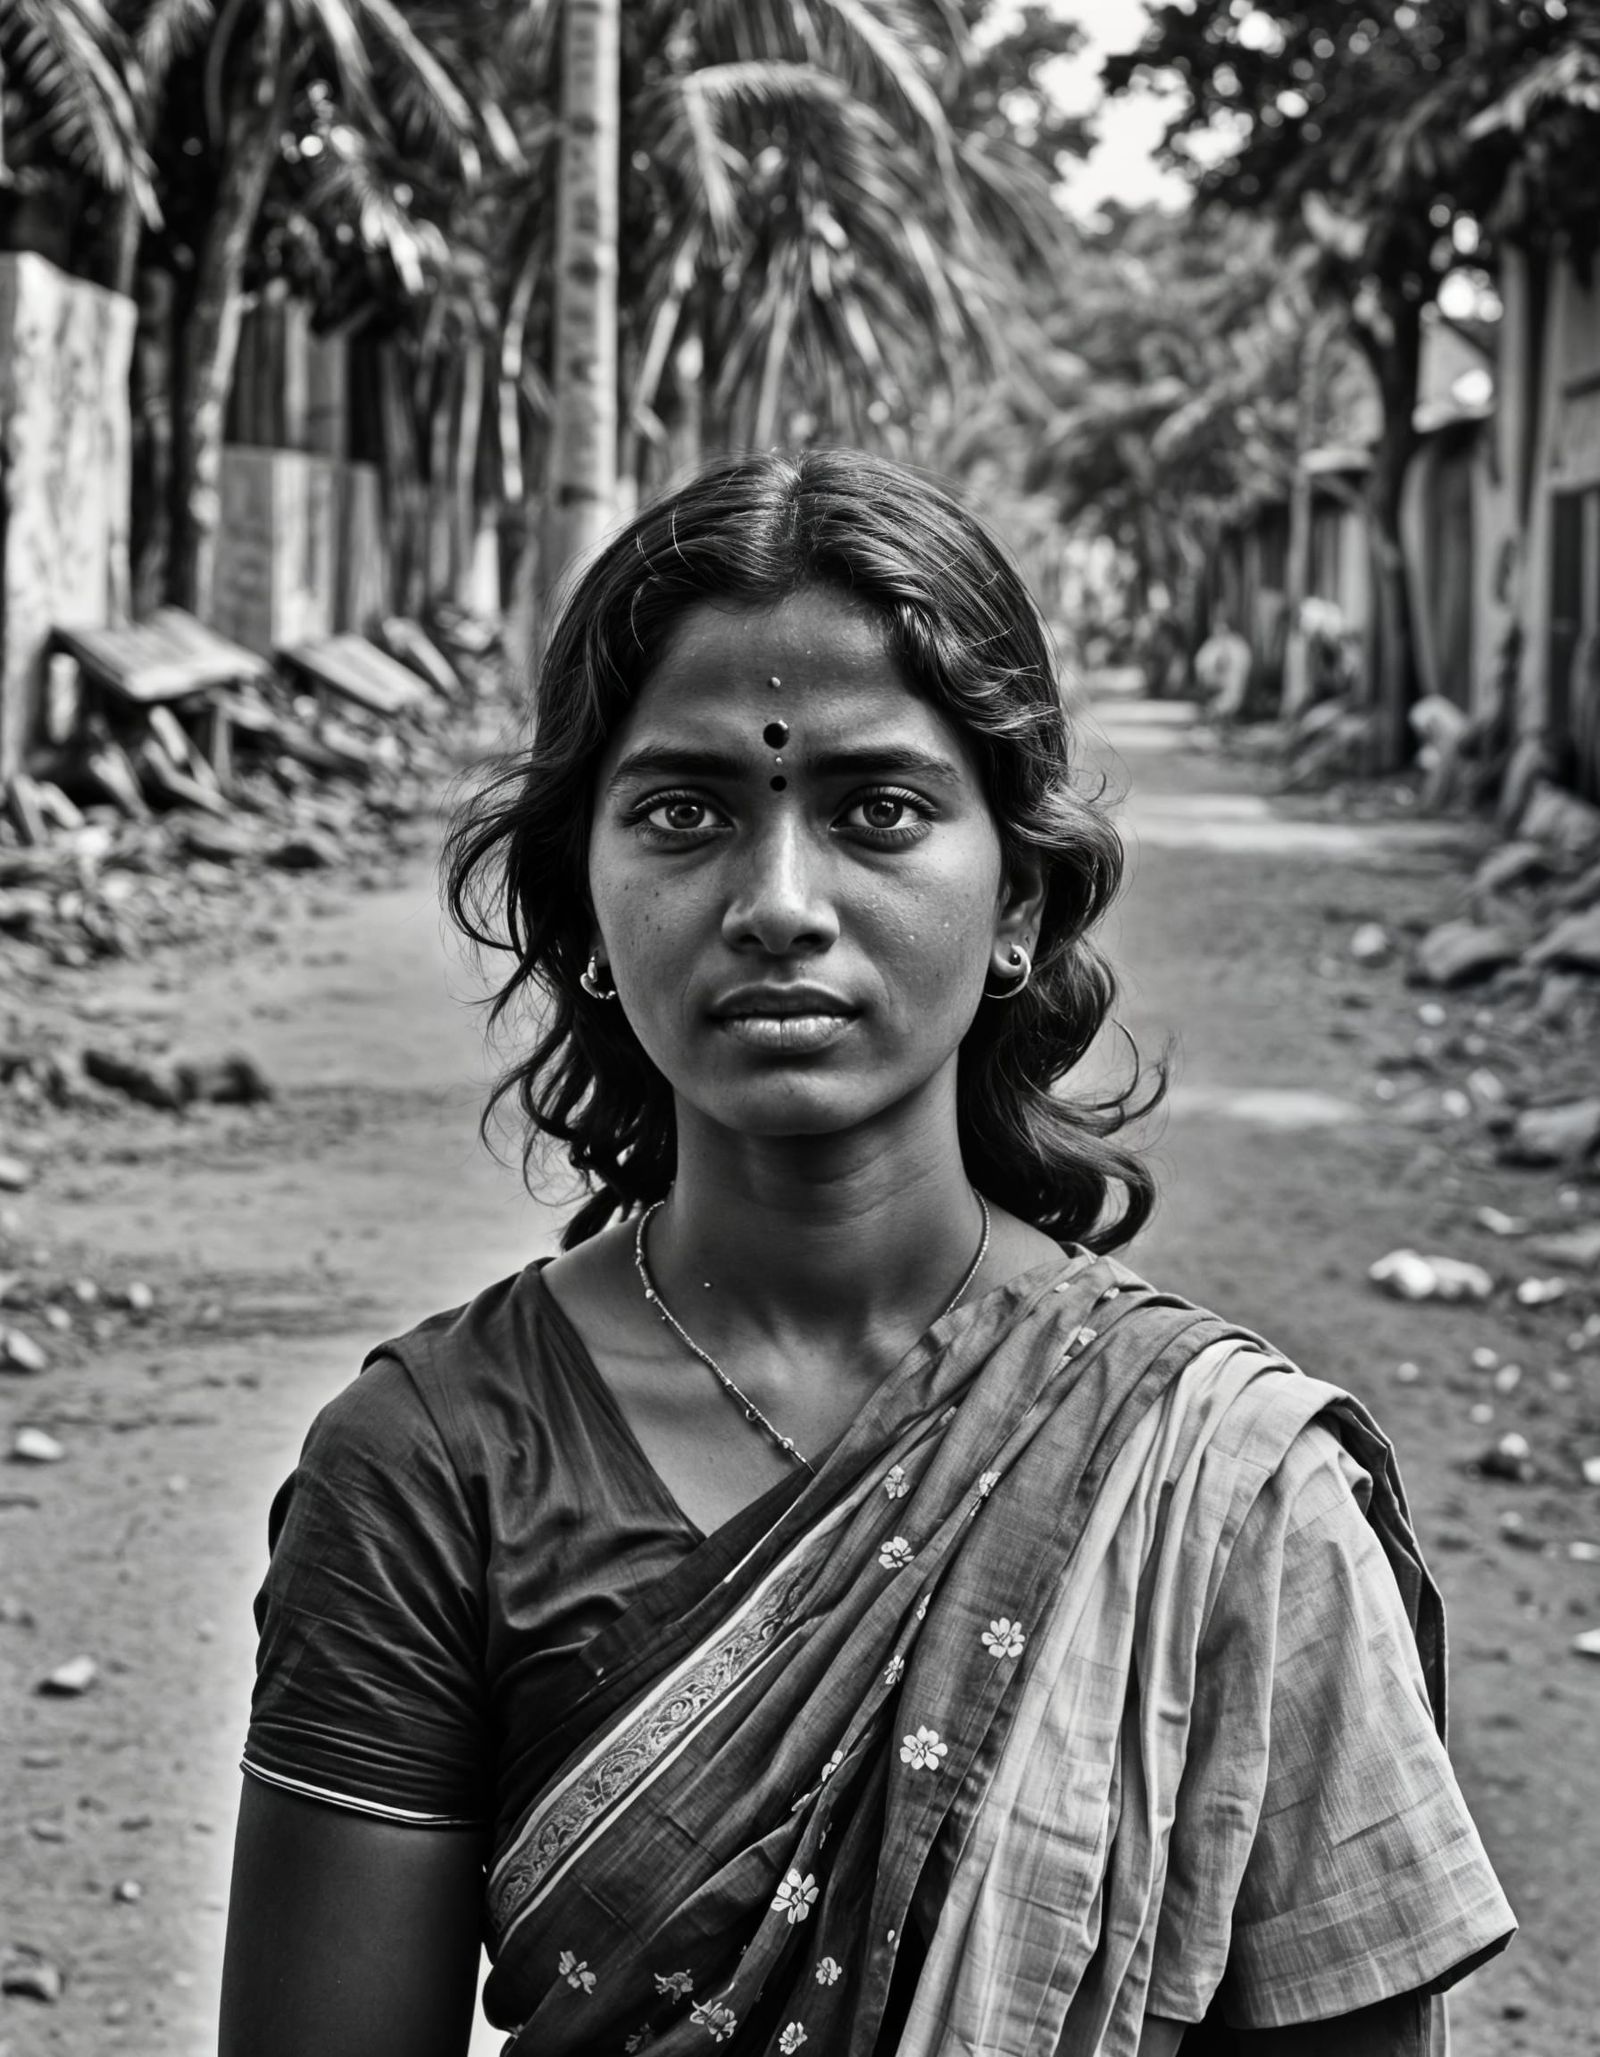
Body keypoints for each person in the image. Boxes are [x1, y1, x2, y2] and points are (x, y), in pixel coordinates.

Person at [219, 449, 1513, 2057]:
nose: (777, 900)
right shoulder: (433, 1466)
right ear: (582, 906)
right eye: (686, 810)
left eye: (877, 810)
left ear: (1018, 896)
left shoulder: (1223, 1490)